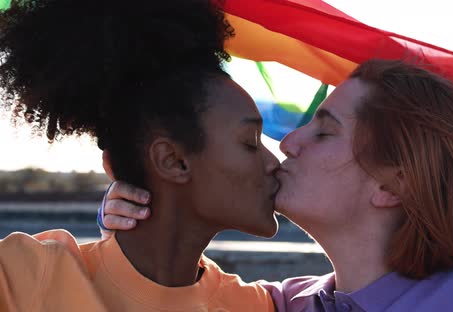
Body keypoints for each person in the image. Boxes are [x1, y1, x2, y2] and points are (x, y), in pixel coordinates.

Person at [102, 59, 453, 311]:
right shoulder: (280, 306)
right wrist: (143, 218)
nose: (289, 142)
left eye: (324, 130)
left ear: (393, 183)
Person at [0, 0, 277, 311]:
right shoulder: (22, 276)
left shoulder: (253, 304)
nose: (274, 163)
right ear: (173, 161)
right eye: (251, 142)